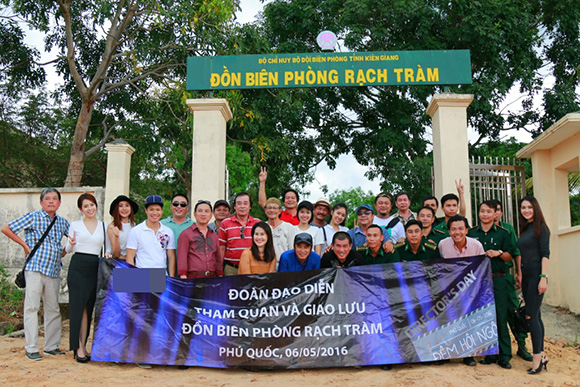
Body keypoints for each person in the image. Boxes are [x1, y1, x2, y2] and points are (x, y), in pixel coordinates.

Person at [1, 188, 69, 361]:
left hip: (53, 270)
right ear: (41, 202)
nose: (51, 201)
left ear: (59, 203)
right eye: (47, 199)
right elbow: (7, 228)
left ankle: (51, 346)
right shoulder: (33, 216)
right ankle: (31, 348)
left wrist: (63, 251)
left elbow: (71, 240)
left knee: (53, 309)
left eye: (55, 199)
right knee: (32, 308)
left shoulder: (62, 222)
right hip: (35, 268)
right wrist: (24, 246)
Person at [468, 200, 518, 369]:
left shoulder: (503, 233)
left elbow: (510, 255)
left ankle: (504, 355)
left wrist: (499, 253)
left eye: (489, 211)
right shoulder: (472, 233)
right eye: (482, 211)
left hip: (498, 279)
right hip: (479, 282)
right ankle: (490, 353)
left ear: (495, 213)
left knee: (501, 316)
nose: (485, 214)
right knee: (485, 317)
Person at [65, 193, 109, 363]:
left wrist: (108, 253)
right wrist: (71, 243)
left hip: (95, 267)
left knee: (88, 309)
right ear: (80, 209)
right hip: (78, 267)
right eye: (86, 206)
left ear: (96, 206)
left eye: (92, 205)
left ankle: (83, 344)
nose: (90, 208)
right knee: (78, 308)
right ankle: (78, 347)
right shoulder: (75, 224)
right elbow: (68, 249)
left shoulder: (104, 226)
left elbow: (108, 248)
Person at [437, 214, 484, 367]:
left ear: (467, 230)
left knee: (468, 321)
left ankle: (468, 354)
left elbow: (481, 269)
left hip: (470, 289)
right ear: (449, 231)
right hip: (449, 290)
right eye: (454, 229)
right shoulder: (442, 245)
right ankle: (446, 353)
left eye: (461, 229)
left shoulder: (476, 246)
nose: (457, 232)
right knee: (448, 321)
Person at [490, 199, 533, 362]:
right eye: (491, 210)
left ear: (500, 213)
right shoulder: (481, 230)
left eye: (498, 210)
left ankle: (521, 344)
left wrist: (519, 273)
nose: (495, 213)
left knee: (513, 310)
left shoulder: (507, 229)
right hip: (488, 278)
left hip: (505, 276)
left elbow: (516, 252)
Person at [517, 196, 550, 374]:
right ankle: (542, 354)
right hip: (527, 277)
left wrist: (543, 277)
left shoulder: (541, 228)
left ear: (535, 208)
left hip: (537, 275)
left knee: (530, 316)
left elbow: (545, 254)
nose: (526, 210)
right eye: (523, 207)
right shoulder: (526, 228)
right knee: (535, 315)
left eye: (529, 207)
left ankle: (536, 358)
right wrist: (520, 274)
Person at [126, 195, 176, 276]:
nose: (155, 213)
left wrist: (172, 278)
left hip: (161, 276)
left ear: (162, 211)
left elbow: (171, 257)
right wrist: (132, 277)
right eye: (151, 209)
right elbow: (130, 257)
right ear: (146, 210)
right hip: (141, 275)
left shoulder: (168, 231)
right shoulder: (136, 231)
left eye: (158, 209)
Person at [177, 200, 223, 279]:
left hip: (212, 278)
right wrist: (183, 277)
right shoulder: (186, 234)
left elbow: (218, 258)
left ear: (211, 215)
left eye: (206, 211)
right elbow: (182, 258)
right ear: (195, 214)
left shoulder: (214, 235)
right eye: (200, 211)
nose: (203, 214)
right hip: (193, 278)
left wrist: (220, 275)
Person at [219, 192, 261, 275]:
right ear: (234, 207)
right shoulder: (225, 223)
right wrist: (219, 269)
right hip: (231, 269)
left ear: (250, 207)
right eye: (239, 203)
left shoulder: (257, 223)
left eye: (245, 203)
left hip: (252, 267)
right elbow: (221, 247)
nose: (242, 206)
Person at [263, 197, 293, 270]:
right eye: (269, 208)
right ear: (265, 210)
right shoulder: (262, 227)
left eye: (275, 208)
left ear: (280, 211)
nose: (272, 210)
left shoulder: (289, 227)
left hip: (285, 265)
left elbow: (292, 249)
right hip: (266, 265)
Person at [107, 195, 138, 259]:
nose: (124, 209)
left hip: (133, 262)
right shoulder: (112, 227)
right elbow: (116, 254)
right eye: (120, 206)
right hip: (119, 264)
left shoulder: (133, 225)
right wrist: (116, 237)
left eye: (127, 205)